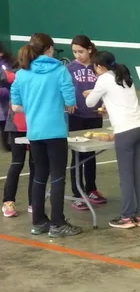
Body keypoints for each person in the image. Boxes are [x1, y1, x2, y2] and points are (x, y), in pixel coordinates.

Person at [10, 33, 82, 238]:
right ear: (49, 49)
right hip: (55, 131)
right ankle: (58, 223)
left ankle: (39, 221)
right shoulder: (59, 70)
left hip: (35, 132)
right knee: (58, 177)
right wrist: (64, 105)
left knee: (39, 176)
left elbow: (15, 105)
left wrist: (34, 107)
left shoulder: (22, 73)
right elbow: (70, 100)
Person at [84, 51, 140, 228]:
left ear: (99, 66)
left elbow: (90, 103)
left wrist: (92, 93)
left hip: (125, 131)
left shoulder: (103, 79)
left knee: (126, 175)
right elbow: (120, 98)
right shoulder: (125, 76)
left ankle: (127, 217)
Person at [67, 35, 107, 210]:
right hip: (76, 116)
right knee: (76, 155)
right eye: (74, 52)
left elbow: (106, 88)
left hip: (94, 115)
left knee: (91, 154)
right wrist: (67, 101)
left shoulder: (98, 67)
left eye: (81, 51)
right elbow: (65, 88)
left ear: (89, 50)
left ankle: (91, 189)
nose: (77, 55)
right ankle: (77, 193)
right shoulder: (69, 69)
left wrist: (105, 105)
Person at [2, 53, 34, 218]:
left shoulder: (37, 77)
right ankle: (8, 201)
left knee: (36, 165)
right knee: (17, 163)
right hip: (16, 126)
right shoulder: (13, 76)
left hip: (35, 126)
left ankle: (34, 201)